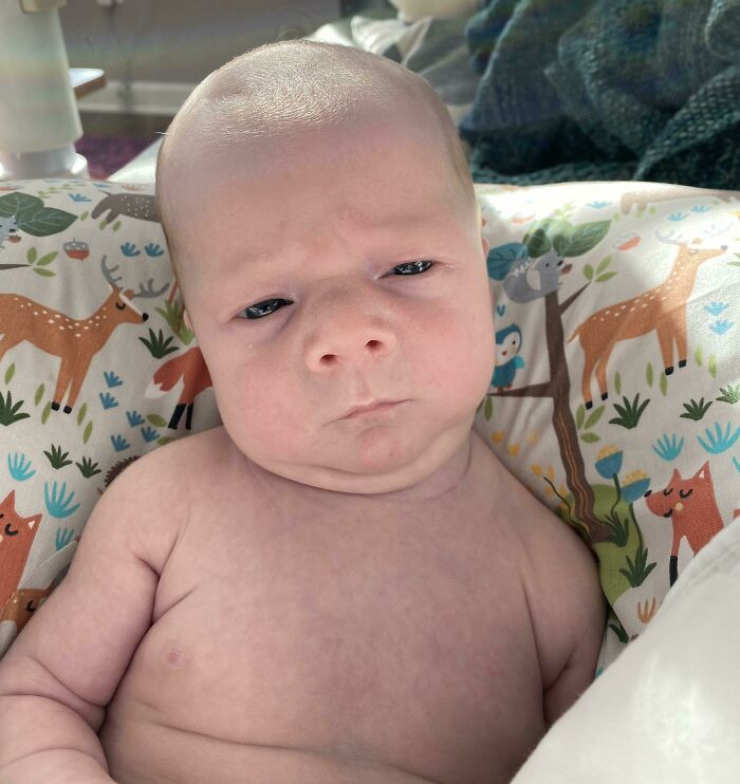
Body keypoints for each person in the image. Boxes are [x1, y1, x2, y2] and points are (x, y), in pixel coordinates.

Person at [0, 42, 605, 784]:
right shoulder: (166, 507)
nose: (346, 336)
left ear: (480, 259)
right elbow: (38, 696)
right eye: (266, 305)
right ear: (199, 329)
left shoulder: (551, 576)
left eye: (409, 268)